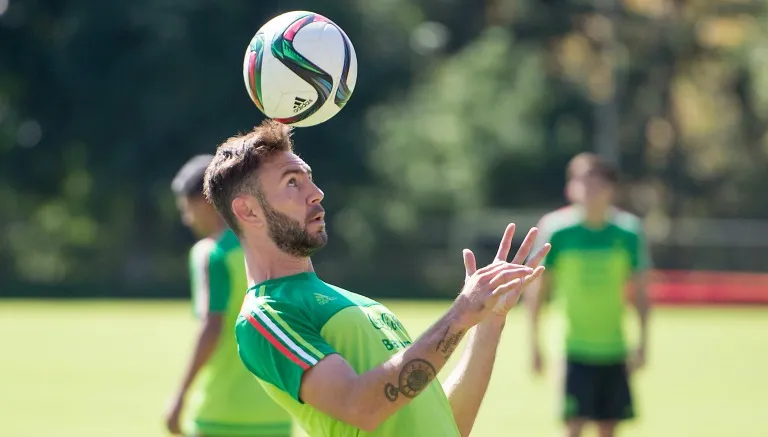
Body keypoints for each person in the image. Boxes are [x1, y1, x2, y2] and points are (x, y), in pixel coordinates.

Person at [201, 120, 552, 437]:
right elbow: (361, 407)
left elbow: (446, 425)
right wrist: (459, 315)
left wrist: (488, 325)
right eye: (292, 182)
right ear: (248, 210)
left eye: (309, 177)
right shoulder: (266, 314)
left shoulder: (355, 303)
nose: (316, 192)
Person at [165, 154, 293, 437]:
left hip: (222, 411)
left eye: (188, 208)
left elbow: (212, 326)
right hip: (276, 411)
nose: (187, 218)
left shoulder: (212, 254)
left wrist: (180, 395)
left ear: (206, 200)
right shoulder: (276, 246)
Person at [526, 153, 651, 437]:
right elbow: (537, 291)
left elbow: (641, 293)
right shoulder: (556, 230)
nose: (589, 191)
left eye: (596, 184)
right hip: (573, 349)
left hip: (615, 348)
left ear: (611, 188)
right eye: (582, 183)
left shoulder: (628, 232)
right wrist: (534, 344)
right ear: (570, 188)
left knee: (609, 429)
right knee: (573, 428)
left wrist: (643, 342)